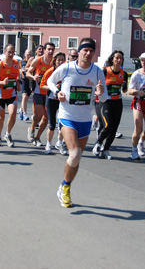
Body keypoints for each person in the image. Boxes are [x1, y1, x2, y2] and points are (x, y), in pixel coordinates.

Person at [47, 38, 107, 208]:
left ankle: (65, 185)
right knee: (75, 154)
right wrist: (57, 91)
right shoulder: (67, 67)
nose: (88, 54)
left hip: (85, 120)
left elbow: (103, 98)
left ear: (94, 54)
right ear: (79, 51)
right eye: (85, 50)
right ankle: (65, 188)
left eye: (91, 51)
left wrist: (100, 92)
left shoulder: (97, 72)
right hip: (67, 116)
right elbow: (50, 81)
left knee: (77, 158)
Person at [92, 50, 128, 160]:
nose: (118, 60)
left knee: (114, 128)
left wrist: (125, 86)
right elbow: (95, 86)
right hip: (104, 102)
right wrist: (97, 92)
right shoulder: (105, 71)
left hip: (117, 102)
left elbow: (124, 90)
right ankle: (97, 144)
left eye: (120, 58)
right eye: (116, 58)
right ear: (112, 59)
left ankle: (106, 149)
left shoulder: (124, 74)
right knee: (108, 125)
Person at [0, 44, 21, 147]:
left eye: (13, 52)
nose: (11, 54)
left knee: (12, 114)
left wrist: (18, 84)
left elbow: (17, 77)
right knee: (1, 117)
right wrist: (2, 83)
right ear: (5, 52)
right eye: (9, 52)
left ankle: (8, 134)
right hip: (0, 95)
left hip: (12, 94)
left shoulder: (16, 63)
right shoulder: (0, 65)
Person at [26, 42, 55, 146]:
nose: (51, 51)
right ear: (45, 50)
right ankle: (32, 128)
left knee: (46, 118)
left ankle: (37, 137)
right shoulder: (37, 60)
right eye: (49, 49)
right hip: (38, 92)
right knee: (40, 114)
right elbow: (28, 72)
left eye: (52, 49)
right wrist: (33, 77)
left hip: (49, 92)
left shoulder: (54, 62)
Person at [40, 51, 67, 155]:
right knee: (52, 124)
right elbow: (42, 85)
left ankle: (59, 143)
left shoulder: (66, 71)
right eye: (58, 60)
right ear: (54, 61)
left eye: (62, 60)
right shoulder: (50, 71)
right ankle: (48, 144)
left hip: (63, 101)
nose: (60, 62)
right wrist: (54, 88)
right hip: (51, 99)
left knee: (62, 124)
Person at [18, 48, 33, 121]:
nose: (29, 56)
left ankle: (21, 110)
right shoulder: (21, 62)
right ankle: (25, 113)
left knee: (26, 98)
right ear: (25, 55)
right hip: (23, 81)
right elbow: (18, 71)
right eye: (27, 55)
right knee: (24, 97)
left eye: (30, 55)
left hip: (30, 81)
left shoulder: (33, 62)